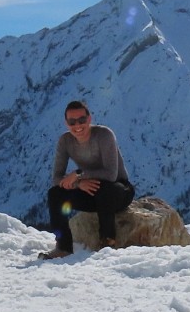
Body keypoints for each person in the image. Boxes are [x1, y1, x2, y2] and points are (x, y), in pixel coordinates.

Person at [39, 101, 135, 259]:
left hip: (118, 191)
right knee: (55, 194)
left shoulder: (104, 135)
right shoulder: (65, 141)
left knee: (105, 189)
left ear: (89, 119)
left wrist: (79, 174)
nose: (77, 125)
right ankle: (63, 247)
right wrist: (78, 184)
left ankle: (107, 242)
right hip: (91, 193)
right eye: (72, 122)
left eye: (82, 120)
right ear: (66, 123)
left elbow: (111, 174)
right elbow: (57, 178)